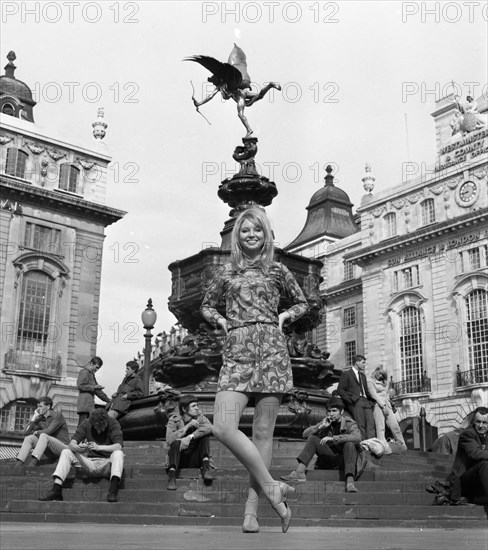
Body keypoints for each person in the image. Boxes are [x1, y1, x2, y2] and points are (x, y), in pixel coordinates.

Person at [201, 207, 309, 533]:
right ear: (238, 235)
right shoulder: (226, 272)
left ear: (265, 234)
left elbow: (303, 303)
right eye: (245, 231)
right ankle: (274, 488)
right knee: (223, 426)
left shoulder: (278, 271)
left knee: (263, 433)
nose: (251, 235)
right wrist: (222, 321)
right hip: (237, 350)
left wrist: (284, 317)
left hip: (272, 350)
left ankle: (252, 511)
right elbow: (206, 304)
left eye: (257, 230)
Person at [187, 44, 281, 137]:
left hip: (240, 95)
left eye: (214, 82)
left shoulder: (221, 86)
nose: (213, 84)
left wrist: (199, 103)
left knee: (240, 114)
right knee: (258, 97)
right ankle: (270, 85)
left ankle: (249, 130)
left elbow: (210, 96)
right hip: (244, 92)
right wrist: (199, 103)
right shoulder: (223, 86)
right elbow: (210, 96)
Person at [39, 408, 124, 503]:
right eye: (96, 428)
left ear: (106, 422)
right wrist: (77, 447)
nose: (99, 431)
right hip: (89, 463)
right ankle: (56, 490)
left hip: (107, 465)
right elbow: (72, 444)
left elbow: (118, 446)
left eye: (101, 428)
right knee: (66, 452)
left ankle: (112, 491)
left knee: (118, 453)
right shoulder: (86, 423)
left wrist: (99, 447)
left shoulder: (114, 423)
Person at [280, 397, 364, 492]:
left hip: (345, 460)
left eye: (334, 411)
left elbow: (357, 437)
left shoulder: (349, 422)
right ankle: (299, 473)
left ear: (341, 411)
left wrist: (334, 438)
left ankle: (350, 483)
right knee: (312, 438)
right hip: (330, 458)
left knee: (349, 444)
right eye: (329, 411)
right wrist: (320, 427)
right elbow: (304, 434)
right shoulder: (326, 421)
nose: (331, 414)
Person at [165, 395, 213, 490]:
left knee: (204, 436)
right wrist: (187, 426)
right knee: (175, 443)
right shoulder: (174, 419)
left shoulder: (200, 417)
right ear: (184, 408)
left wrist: (190, 437)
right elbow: (169, 440)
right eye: (194, 406)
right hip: (180, 459)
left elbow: (210, 427)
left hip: (196, 458)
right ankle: (172, 477)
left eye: (197, 405)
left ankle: (206, 469)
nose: (197, 408)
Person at [447, 406, 488, 505]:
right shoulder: (467, 434)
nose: (481, 425)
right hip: (464, 481)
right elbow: (475, 453)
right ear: (474, 422)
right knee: (485, 464)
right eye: (478, 422)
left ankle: (482, 498)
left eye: (485, 422)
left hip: (481, 481)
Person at [15, 396, 70, 466]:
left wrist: (37, 432)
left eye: (41, 406)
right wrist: (34, 417)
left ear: (48, 407)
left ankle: (32, 464)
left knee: (44, 436)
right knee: (30, 438)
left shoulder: (57, 416)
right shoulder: (40, 419)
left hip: (62, 448)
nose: (38, 409)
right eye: (38, 407)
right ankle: (18, 464)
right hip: (49, 449)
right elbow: (26, 433)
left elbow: (49, 431)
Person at [367, 366, 407, 453]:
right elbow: (374, 395)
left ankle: (402, 444)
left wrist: (389, 404)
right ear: (376, 370)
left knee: (395, 426)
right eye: (380, 373)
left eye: (383, 375)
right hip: (378, 405)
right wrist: (383, 406)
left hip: (387, 405)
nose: (381, 376)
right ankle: (383, 447)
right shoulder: (369, 381)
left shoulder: (383, 382)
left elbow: (386, 394)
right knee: (380, 427)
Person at [337, 354, 375, 440]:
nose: (365, 365)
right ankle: (363, 446)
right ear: (357, 363)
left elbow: (366, 391)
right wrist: (350, 400)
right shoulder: (346, 374)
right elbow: (340, 390)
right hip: (355, 401)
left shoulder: (363, 376)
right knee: (360, 424)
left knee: (371, 424)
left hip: (366, 401)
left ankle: (371, 445)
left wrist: (373, 400)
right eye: (363, 362)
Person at [76, 356, 110, 425]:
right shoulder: (84, 372)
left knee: (85, 428)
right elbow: (80, 386)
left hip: (88, 407)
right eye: (96, 367)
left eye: (98, 368)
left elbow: (98, 391)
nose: (97, 370)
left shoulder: (91, 374)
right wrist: (94, 388)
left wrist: (109, 400)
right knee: (82, 428)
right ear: (91, 363)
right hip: (84, 406)